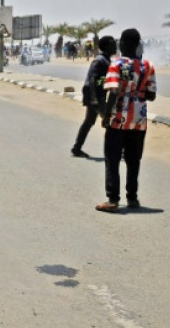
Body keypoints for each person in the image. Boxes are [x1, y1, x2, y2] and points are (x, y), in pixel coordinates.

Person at [96, 29, 156, 213]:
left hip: (118, 120)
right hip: (139, 120)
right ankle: (133, 198)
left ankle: (113, 199)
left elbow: (113, 91)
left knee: (112, 158)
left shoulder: (116, 64)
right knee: (133, 160)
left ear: (121, 44)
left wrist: (106, 116)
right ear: (138, 45)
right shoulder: (148, 66)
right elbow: (151, 96)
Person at [70, 35, 117, 158]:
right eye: (113, 44)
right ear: (107, 46)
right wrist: (95, 99)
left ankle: (77, 148)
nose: (115, 45)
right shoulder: (100, 60)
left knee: (89, 122)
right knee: (111, 121)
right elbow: (92, 79)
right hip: (95, 96)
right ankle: (116, 151)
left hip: (96, 95)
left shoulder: (106, 60)